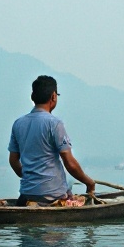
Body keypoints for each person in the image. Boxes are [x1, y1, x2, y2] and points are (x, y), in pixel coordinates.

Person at [8, 75, 95, 206]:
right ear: (53, 96)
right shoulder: (54, 124)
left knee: (69, 183)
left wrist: (29, 176)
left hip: (26, 194)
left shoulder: (18, 123)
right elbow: (70, 163)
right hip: (52, 195)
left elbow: (13, 161)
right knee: (70, 187)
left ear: (33, 96)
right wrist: (89, 182)